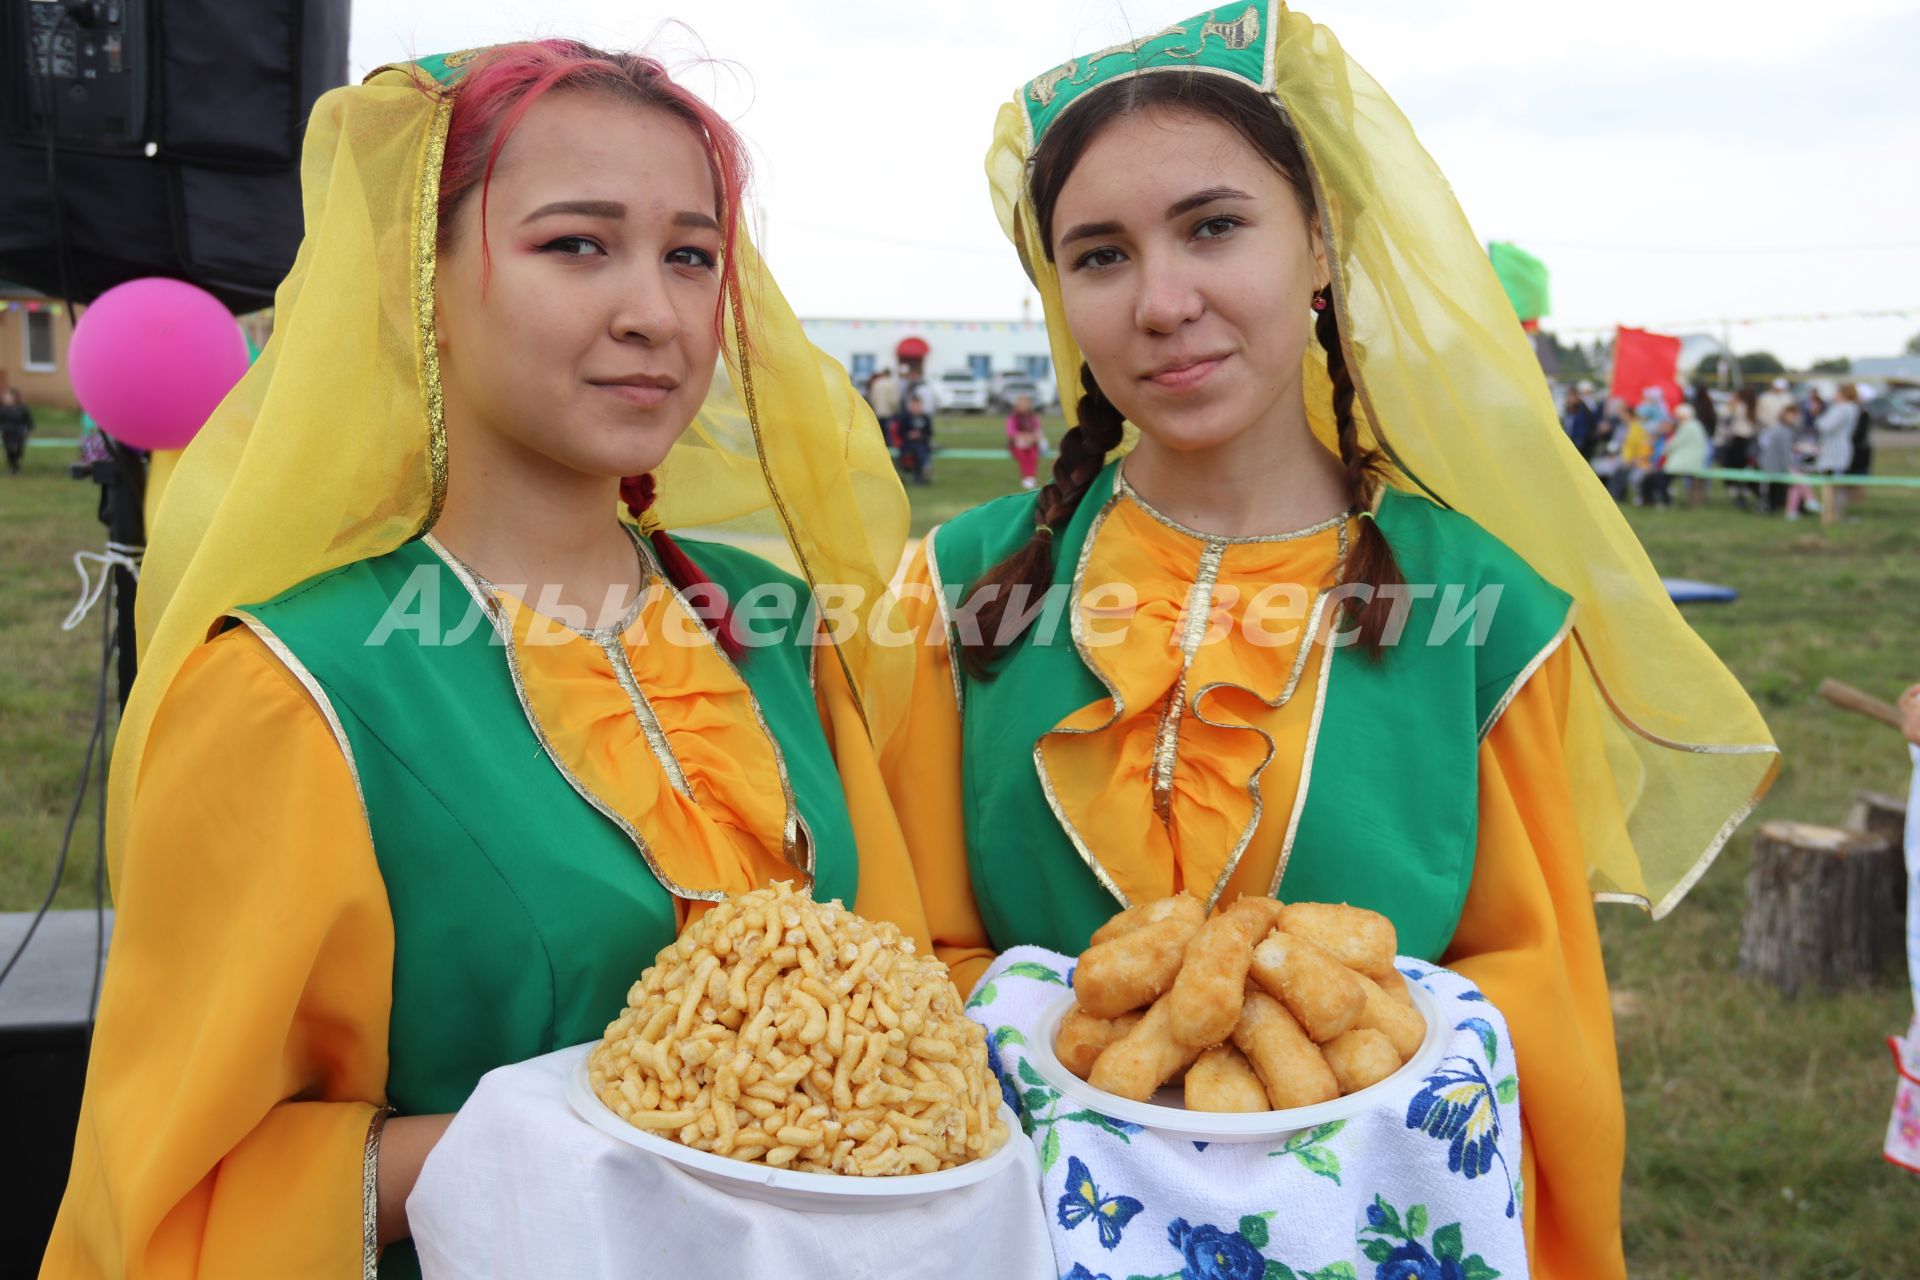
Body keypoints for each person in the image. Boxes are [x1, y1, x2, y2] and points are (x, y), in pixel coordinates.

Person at [880, 8, 1775, 1276]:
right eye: (1100, 254)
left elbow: (1532, 993)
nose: (1163, 300)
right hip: (1015, 1224)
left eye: (1213, 226)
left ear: (1319, 240)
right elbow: (905, 946)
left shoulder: (1479, 604)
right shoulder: (962, 585)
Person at [42, 40, 924, 1279]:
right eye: (576, 243)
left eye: (690, 254)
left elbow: (902, 1014)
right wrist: (553, 1132)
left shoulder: (776, 628)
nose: (655, 312)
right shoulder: (300, 688)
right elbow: (171, 1203)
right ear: (422, 286)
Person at [1814, 383, 1861, 520]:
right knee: (1837, 484)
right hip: (1838, 450)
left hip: (1834, 451)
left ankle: (1830, 515)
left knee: (1831, 485)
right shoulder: (1851, 408)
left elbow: (1826, 426)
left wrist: (1818, 415)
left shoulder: (1842, 409)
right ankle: (1836, 514)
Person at [1665, 401, 1711, 508]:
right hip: (1696, 461)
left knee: (1664, 477)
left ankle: (1667, 500)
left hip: (1688, 462)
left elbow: (1674, 443)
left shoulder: (1687, 426)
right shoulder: (1695, 424)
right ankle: (1695, 503)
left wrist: (1665, 449)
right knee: (1696, 484)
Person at [1753, 400, 1796, 514]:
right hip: (1772, 465)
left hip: (1765, 463)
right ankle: (1797, 508)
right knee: (1797, 479)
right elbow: (1784, 453)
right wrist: (1788, 468)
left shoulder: (1776, 428)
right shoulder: (1783, 431)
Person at [1006, 391, 1044, 489]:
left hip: (1031, 444)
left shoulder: (1033, 418)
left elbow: (1038, 432)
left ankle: (1031, 477)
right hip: (1016, 444)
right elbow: (1011, 433)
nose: (1023, 406)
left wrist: (1031, 438)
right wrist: (1023, 437)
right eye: (1021, 404)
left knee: (1032, 455)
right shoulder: (1012, 418)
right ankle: (1026, 477)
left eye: (1025, 404)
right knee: (1023, 456)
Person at [897, 389, 934, 483]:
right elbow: (900, 432)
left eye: (918, 405)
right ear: (910, 406)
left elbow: (929, 433)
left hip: (922, 443)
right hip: (908, 444)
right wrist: (909, 435)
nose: (916, 408)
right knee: (916, 449)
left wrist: (920, 435)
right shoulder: (905, 418)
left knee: (920, 448)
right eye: (914, 405)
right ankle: (925, 467)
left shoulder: (925, 418)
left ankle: (921, 473)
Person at [1560, 380, 1601, 458]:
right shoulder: (1568, 411)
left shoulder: (1583, 410)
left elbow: (1583, 432)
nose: (1569, 399)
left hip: (1579, 446)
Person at [0, 386, 32, 474]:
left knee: (18, 450)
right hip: (7, 433)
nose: (6, 399)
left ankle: (16, 466)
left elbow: (28, 421)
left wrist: (27, 430)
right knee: (9, 450)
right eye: (5, 397)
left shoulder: (23, 409)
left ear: (15, 398)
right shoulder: (2, 409)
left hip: (19, 433)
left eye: (8, 397)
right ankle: (13, 467)